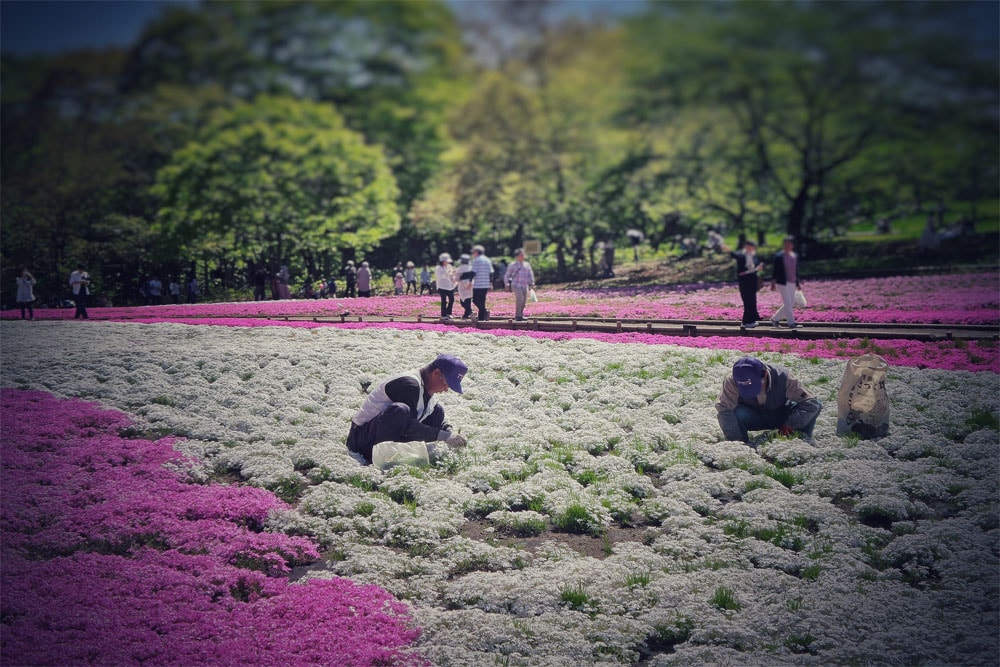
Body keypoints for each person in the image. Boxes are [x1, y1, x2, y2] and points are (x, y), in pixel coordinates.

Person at [346, 354, 469, 465]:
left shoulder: (424, 386)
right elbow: (408, 426)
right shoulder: (409, 384)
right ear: (436, 373)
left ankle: (397, 456)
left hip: (379, 433)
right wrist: (443, 436)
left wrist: (449, 431)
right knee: (400, 410)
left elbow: (429, 415)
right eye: (446, 384)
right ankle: (380, 459)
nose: (446, 390)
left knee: (437, 411)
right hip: (361, 439)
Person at [717, 356, 822, 445]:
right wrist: (737, 444)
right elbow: (724, 410)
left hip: (780, 415)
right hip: (752, 417)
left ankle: (801, 441)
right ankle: (743, 443)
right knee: (737, 413)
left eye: (755, 386)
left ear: (766, 374)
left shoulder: (783, 376)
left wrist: (790, 425)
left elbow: (810, 403)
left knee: (817, 405)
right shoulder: (731, 381)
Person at [730, 239, 764, 328]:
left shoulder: (754, 255)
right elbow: (734, 255)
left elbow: (757, 265)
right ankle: (746, 322)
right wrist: (727, 250)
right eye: (748, 247)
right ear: (745, 246)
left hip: (752, 280)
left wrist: (759, 267)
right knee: (747, 300)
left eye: (752, 247)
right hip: (744, 280)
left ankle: (751, 320)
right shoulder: (741, 254)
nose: (750, 249)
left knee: (752, 300)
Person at [769, 235, 801, 328]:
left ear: (792, 245)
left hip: (792, 282)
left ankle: (774, 319)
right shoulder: (779, 256)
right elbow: (775, 270)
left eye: (789, 244)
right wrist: (773, 282)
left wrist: (798, 283)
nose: (788, 245)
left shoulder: (795, 256)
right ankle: (791, 323)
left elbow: (796, 270)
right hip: (782, 282)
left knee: (790, 303)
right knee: (788, 302)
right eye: (786, 244)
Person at [504, 248, 535, 321]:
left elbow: (530, 274)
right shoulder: (512, 265)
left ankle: (520, 315)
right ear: (517, 256)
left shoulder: (527, 265)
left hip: (525, 285)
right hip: (516, 285)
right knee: (520, 298)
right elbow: (507, 275)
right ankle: (517, 315)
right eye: (521, 255)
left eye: (523, 254)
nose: (523, 256)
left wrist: (532, 282)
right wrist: (507, 284)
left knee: (523, 301)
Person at [470, 244, 493, 321]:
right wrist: (491, 283)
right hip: (485, 283)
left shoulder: (476, 260)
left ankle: (484, 311)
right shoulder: (487, 260)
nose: (473, 254)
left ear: (476, 252)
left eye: (473, 252)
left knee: (475, 300)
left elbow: (473, 272)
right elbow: (491, 272)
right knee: (482, 300)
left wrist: (469, 282)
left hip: (478, 284)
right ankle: (481, 318)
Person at [435, 253, 456, 319]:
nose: (447, 262)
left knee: (452, 299)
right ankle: (443, 315)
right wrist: (448, 273)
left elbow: (452, 274)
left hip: (449, 286)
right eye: (446, 261)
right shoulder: (438, 268)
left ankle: (449, 313)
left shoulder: (449, 266)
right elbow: (440, 276)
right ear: (442, 261)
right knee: (444, 300)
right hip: (442, 286)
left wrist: (453, 274)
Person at [456, 253, 474, 319]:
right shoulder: (471, 268)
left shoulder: (459, 269)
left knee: (463, 302)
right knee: (468, 300)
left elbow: (457, 278)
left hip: (462, 286)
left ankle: (470, 312)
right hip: (470, 285)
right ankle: (466, 315)